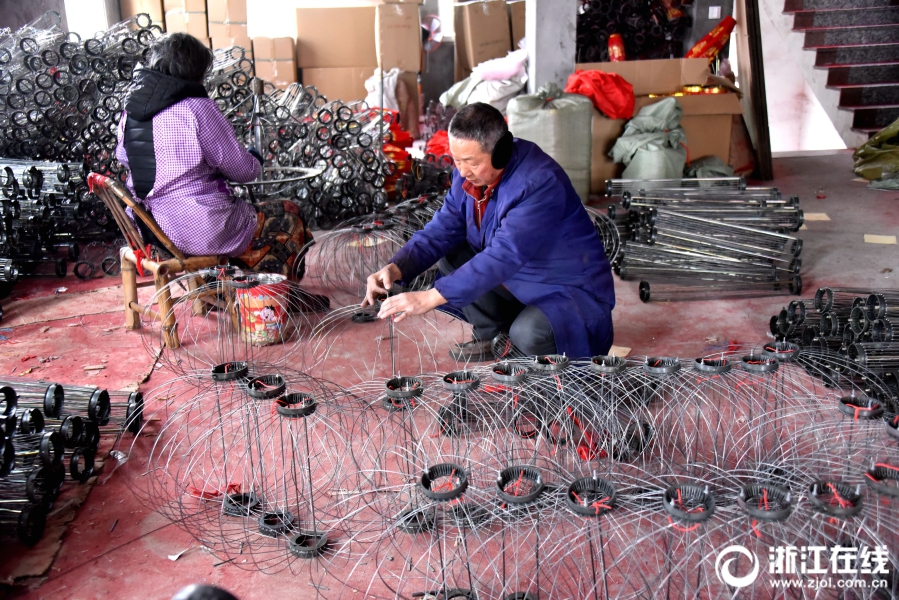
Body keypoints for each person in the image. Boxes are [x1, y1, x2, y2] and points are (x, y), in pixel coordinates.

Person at [363, 102, 615, 360]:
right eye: (456, 160)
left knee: (529, 334)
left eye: (470, 162)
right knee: (453, 253)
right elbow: (442, 228)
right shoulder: (468, 177)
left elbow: (504, 255)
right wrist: (397, 268)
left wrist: (429, 298)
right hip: (521, 281)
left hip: (567, 292)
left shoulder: (538, 183)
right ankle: (495, 338)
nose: (461, 171)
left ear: (501, 152)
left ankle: (524, 343)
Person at [115, 33, 312, 280]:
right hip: (201, 228)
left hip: (151, 228)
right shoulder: (196, 108)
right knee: (290, 215)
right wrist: (254, 158)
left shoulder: (130, 113)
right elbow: (243, 171)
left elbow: (126, 158)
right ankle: (276, 296)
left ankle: (220, 288)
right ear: (197, 71)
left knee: (251, 213)